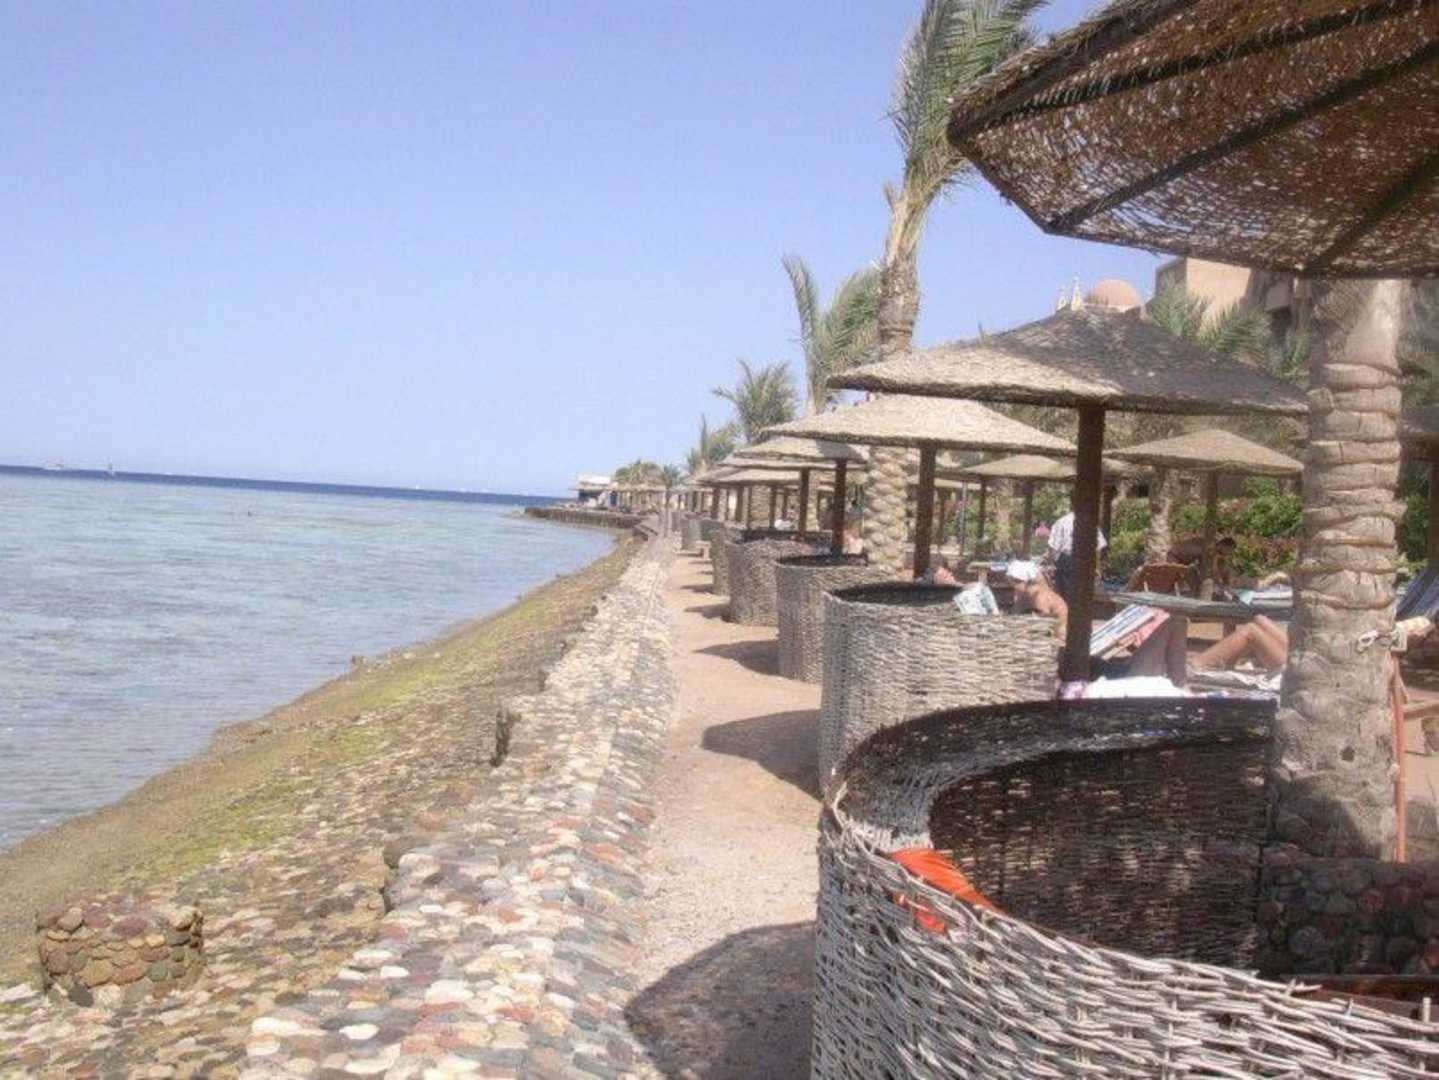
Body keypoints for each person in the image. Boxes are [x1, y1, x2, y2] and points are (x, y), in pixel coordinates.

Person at [1046, 504, 1106, 605]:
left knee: (1065, 594)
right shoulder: (1090, 522)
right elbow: (1098, 547)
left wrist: (1051, 564)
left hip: (1066, 561)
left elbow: (1053, 546)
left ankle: (1067, 611)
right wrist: (1097, 566)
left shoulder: (1061, 522)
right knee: (1082, 592)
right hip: (1085, 560)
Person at [1006, 560, 1067, 641]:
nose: (1013, 587)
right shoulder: (1027, 595)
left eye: (1015, 582)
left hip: (1055, 636)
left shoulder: (1038, 595)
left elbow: (1041, 622)